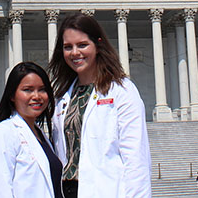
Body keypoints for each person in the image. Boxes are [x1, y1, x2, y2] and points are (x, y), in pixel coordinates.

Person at [50, 13, 151, 198]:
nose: (75, 53)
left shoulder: (122, 91)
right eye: (67, 47)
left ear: (97, 45)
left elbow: (136, 159)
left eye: (82, 45)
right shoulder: (62, 97)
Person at [0, 61, 63, 198]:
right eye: (28, 90)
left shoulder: (40, 135)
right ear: (12, 95)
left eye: (42, 89)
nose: (36, 96)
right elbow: (1, 191)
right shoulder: (2, 133)